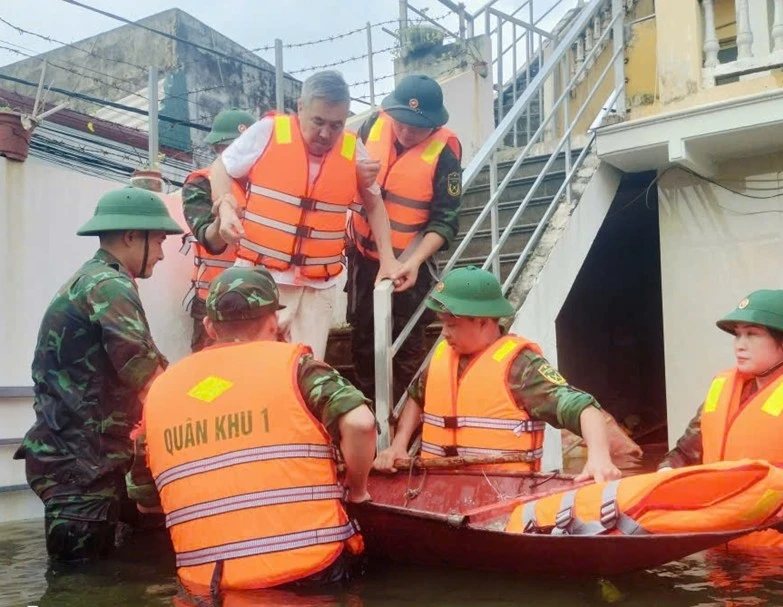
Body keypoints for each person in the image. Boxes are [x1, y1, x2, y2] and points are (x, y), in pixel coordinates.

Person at [127, 266, 376, 590]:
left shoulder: (160, 391)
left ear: (209, 327)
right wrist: (357, 489)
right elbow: (360, 422)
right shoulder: (298, 368)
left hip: (211, 586)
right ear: (273, 321)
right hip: (310, 573)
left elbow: (145, 502)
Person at [14, 187, 183, 562]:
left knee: (113, 572)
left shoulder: (94, 280)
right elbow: (149, 377)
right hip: (82, 472)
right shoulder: (110, 286)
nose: (161, 253)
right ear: (131, 237)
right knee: (79, 584)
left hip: (86, 463)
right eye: (159, 240)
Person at [208, 70, 401, 360]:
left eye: (336, 125)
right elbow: (221, 167)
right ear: (301, 107)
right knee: (251, 365)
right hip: (261, 280)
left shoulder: (352, 149)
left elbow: (374, 205)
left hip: (317, 288)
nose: (326, 134)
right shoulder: (269, 131)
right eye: (318, 122)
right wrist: (225, 206)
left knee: (305, 369)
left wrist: (388, 259)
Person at [372, 266, 622, 482]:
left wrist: (599, 458)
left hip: (501, 494)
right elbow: (418, 395)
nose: (444, 333)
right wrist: (399, 445)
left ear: (482, 321)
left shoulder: (522, 367)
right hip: (437, 488)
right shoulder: (444, 355)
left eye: (452, 325)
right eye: (443, 323)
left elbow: (585, 409)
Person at [658, 289, 783, 550]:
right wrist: (665, 477)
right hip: (717, 549)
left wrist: (775, 501)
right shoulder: (724, 392)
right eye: (737, 334)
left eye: (752, 334)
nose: (739, 345)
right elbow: (684, 454)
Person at [346, 74, 463, 402]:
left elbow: (446, 220)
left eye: (416, 127)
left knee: (407, 345)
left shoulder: (445, 152)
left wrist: (413, 262)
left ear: (434, 125)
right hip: (362, 258)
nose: (406, 132)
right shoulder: (373, 125)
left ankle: (408, 415)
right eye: (400, 123)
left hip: (409, 264)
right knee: (363, 338)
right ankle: (372, 413)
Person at [181, 109, 256, 352]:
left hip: (260, 299)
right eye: (227, 148)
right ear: (217, 150)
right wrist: (222, 215)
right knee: (210, 372)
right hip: (215, 303)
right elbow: (209, 238)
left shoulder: (268, 185)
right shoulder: (201, 183)